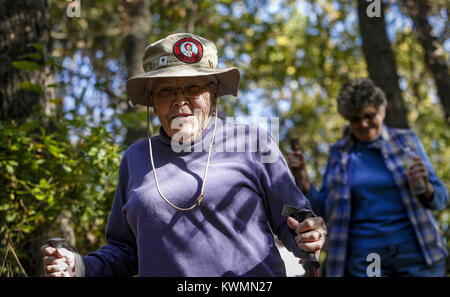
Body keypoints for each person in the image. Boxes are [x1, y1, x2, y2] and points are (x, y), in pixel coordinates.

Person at [40, 33, 326, 277]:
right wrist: (79, 265)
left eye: (193, 87)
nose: (180, 101)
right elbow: (126, 251)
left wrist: (307, 232)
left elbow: (293, 217)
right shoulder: (136, 158)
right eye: (166, 91)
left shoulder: (253, 142)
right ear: (151, 100)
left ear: (213, 93)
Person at [287, 78, 448, 277]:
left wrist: (427, 188)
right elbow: (324, 212)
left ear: (382, 111)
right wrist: (303, 180)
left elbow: (441, 199)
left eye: (369, 115)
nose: (363, 123)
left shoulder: (406, 141)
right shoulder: (339, 154)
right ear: (348, 119)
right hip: (366, 261)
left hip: (419, 256)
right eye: (355, 118)